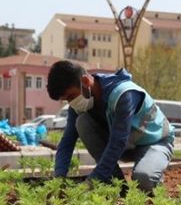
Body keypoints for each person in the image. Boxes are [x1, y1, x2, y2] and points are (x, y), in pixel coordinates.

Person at [46, 60, 173, 192]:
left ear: (85, 81)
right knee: (82, 122)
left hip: (154, 142)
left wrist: (91, 182)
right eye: (66, 99)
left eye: (71, 96)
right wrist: (59, 178)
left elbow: (117, 143)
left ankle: (154, 174)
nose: (71, 102)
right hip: (126, 147)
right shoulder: (79, 104)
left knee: (143, 179)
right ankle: (119, 188)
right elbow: (67, 141)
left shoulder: (123, 94)